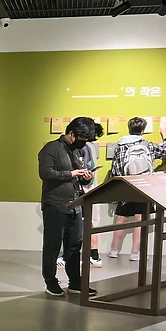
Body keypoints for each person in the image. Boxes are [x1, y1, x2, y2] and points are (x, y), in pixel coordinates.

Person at [38, 117, 100, 297]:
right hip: (55, 204)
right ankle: (51, 282)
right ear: (72, 133)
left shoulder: (78, 150)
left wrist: (85, 177)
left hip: (76, 204)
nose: (84, 143)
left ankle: (75, 282)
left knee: (74, 245)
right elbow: (45, 173)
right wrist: (71, 173)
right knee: (52, 245)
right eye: (82, 139)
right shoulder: (51, 148)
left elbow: (78, 177)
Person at [108, 116, 166, 261]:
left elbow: (115, 169)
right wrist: (165, 136)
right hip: (144, 186)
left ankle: (113, 250)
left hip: (125, 185)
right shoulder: (147, 145)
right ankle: (135, 253)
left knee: (121, 218)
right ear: (143, 130)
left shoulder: (120, 145)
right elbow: (165, 152)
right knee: (140, 219)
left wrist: (114, 191)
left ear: (129, 128)